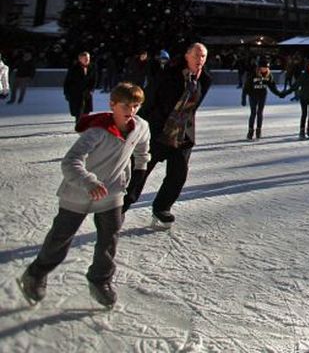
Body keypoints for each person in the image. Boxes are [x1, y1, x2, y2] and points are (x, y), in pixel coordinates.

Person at [18, 82, 150, 308]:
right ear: (112, 105)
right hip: (78, 192)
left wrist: (136, 179)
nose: (131, 110)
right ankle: (36, 273)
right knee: (61, 237)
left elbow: (142, 152)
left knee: (110, 237)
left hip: (112, 192)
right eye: (126, 105)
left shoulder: (141, 127)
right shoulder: (98, 131)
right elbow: (70, 161)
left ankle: (100, 279)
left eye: (136, 105)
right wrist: (88, 181)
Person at [123, 43, 212, 228]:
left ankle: (162, 208)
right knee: (140, 171)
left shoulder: (205, 80)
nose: (200, 60)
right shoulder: (169, 74)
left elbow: (192, 108)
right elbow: (150, 98)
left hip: (183, 135)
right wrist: (137, 126)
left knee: (178, 175)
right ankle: (120, 206)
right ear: (187, 56)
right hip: (158, 131)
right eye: (196, 55)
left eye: (203, 56)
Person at [242, 57, 286, 140]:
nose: (265, 69)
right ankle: (250, 131)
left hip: (262, 96)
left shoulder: (269, 75)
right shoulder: (253, 74)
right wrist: (243, 98)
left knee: (260, 113)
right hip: (253, 95)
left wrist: (279, 94)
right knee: (253, 113)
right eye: (264, 67)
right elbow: (246, 87)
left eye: (267, 68)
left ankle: (259, 130)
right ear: (259, 67)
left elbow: (272, 87)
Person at [63, 50, 98, 120]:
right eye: (85, 58)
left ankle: (84, 125)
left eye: (88, 58)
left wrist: (91, 90)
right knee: (78, 111)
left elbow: (94, 80)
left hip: (87, 93)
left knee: (86, 111)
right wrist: (66, 93)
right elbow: (67, 82)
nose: (87, 60)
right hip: (76, 93)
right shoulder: (73, 68)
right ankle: (79, 125)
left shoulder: (92, 67)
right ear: (80, 59)